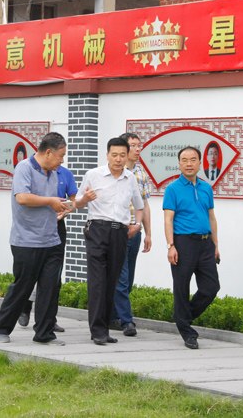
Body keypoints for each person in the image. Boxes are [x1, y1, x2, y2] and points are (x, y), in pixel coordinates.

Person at [0, 132, 70, 345]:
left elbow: (51, 202)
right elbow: (23, 197)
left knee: (49, 288)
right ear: (48, 152)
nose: (62, 160)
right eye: (61, 155)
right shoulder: (24, 168)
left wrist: (63, 206)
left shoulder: (53, 174)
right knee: (23, 286)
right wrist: (51, 201)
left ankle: (44, 333)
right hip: (26, 240)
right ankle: (2, 328)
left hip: (52, 239)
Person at [76, 137, 144, 346]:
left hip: (120, 233)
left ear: (127, 156)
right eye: (114, 155)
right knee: (98, 281)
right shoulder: (93, 175)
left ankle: (104, 329)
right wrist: (85, 199)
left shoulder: (130, 178)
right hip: (97, 230)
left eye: (122, 155)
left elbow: (139, 204)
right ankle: (97, 331)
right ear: (107, 155)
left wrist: (137, 224)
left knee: (112, 281)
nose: (118, 159)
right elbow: (77, 203)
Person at [163, 146, 220, 350]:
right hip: (183, 243)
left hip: (205, 244)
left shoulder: (206, 188)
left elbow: (211, 217)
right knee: (181, 287)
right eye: (185, 160)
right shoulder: (172, 189)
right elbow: (168, 220)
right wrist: (171, 245)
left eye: (193, 159)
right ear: (179, 163)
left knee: (211, 287)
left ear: (199, 163)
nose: (189, 164)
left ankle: (182, 316)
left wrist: (215, 244)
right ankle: (188, 332)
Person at [18, 164, 77, 332]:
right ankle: (25, 308)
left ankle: (49, 320)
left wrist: (66, 211)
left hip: (57, 226)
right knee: (32, 272)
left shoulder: (66, 174)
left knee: (53, 276)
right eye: (60, 154)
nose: (61, 159)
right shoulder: (32, 171)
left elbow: (73, 202)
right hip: (35, 226)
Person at [109, 132, 152, 337]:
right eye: (133, 145)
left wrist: (147, 232)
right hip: (118, 232)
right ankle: (127, 321)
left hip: (135, 232)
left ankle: (112, 316)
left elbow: (144, 205)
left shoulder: (141, 174)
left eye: (138, 145)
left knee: (128, 279)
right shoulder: (114, 173)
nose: (137, 149)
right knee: (122, 278)